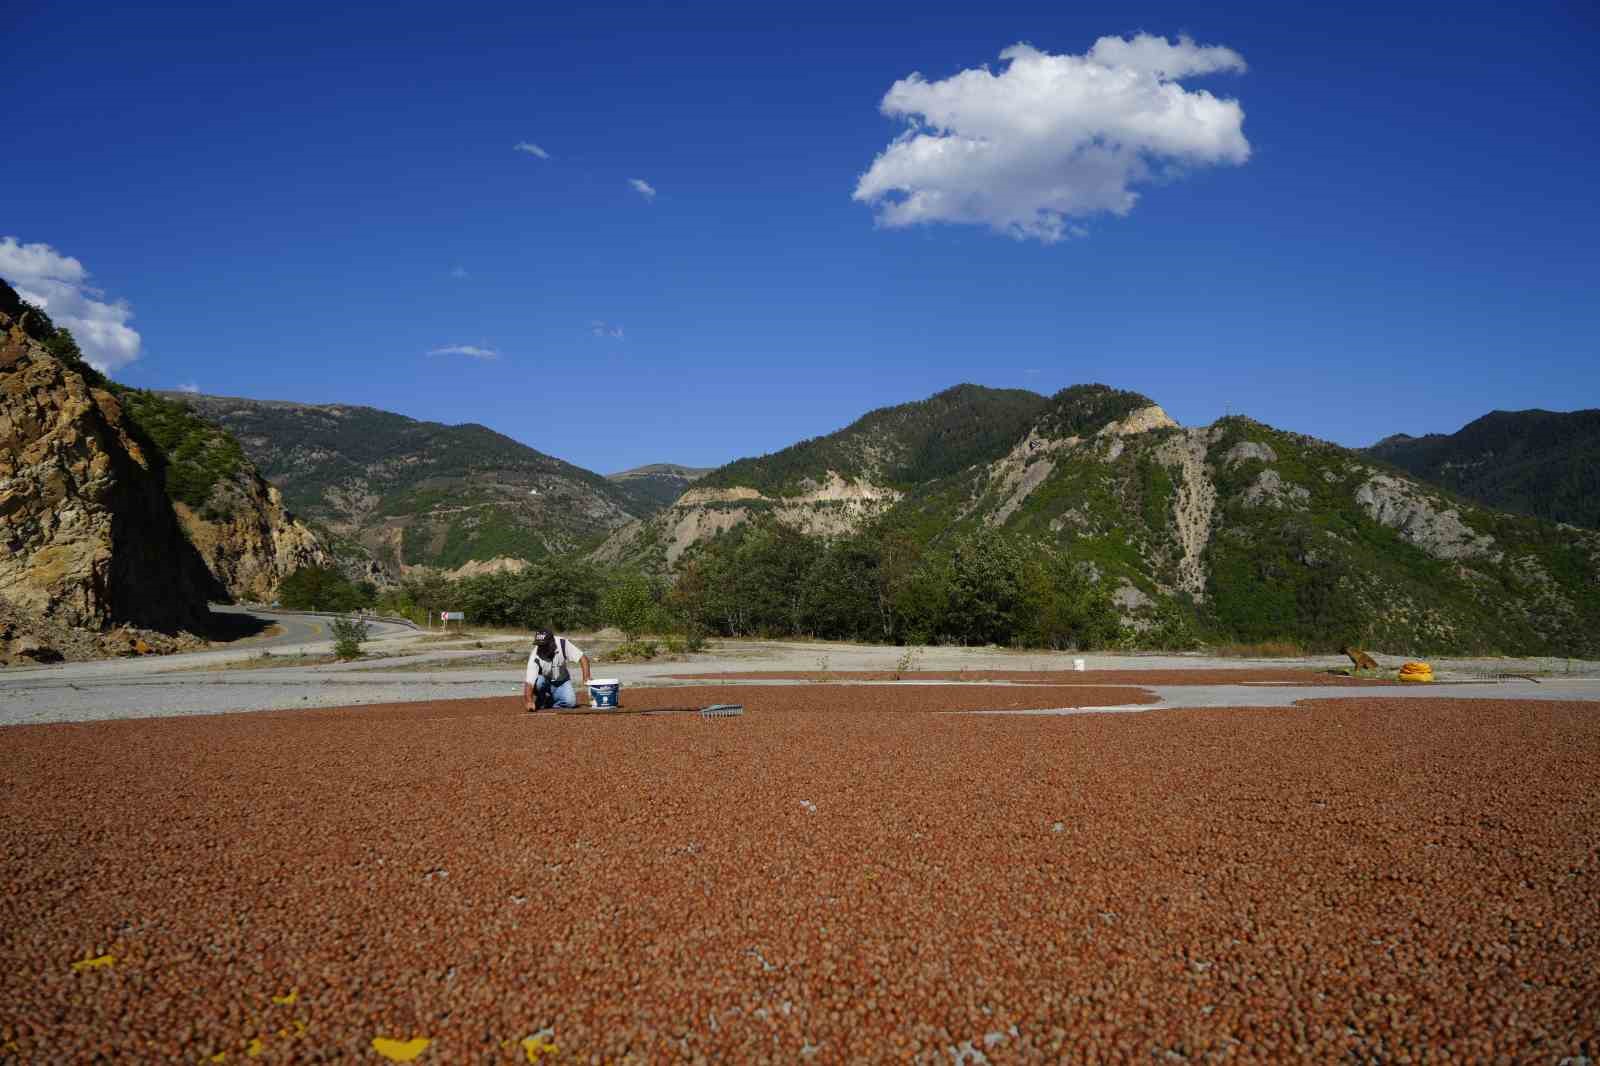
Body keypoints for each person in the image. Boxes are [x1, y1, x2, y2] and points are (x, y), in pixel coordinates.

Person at [523, 629, 593, 711]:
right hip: (545, 681)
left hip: (562, 681)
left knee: (570, 702)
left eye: (544, 645)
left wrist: (586, 678)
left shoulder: (562, 644)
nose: (541, 648)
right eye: (539, 645)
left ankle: (546, 702)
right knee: (539, 682)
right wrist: (529, 701)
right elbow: (529, 683)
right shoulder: (535, 656)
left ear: (551, 643)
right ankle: (542, 697)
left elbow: (582, 658)